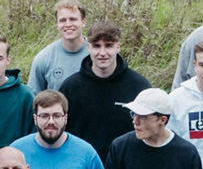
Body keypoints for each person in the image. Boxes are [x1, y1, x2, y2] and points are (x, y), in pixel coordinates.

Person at [58, 22, 151, 156]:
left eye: (108, 46)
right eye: (96, 46)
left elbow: (150, 131)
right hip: (83, 165)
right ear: (88, 47)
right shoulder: (71, 87)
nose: (102, 53)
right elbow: (61, 132)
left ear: (118, 47)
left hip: (127, 164)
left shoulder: (139, 86)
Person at [27, 0, 91, 93]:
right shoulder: (43, 59)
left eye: (73, 19)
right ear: (57, 24)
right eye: (62, 20)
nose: (68, 24)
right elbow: (34, 98)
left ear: (83, 22)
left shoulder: (98, 54)